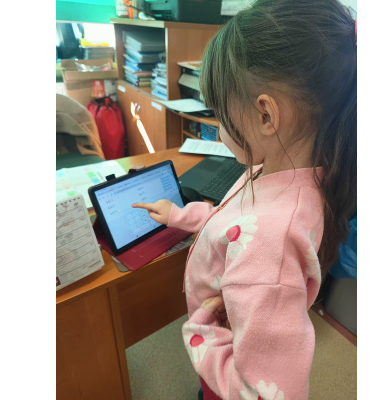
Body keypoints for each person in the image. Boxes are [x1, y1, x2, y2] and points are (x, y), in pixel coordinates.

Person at [132, 0, 356, 398]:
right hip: (235, 326)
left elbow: (262, 391)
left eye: (219, 114)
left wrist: (202, 329)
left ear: (266, 116)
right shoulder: (283, 172)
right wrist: (181, 215)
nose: (218, 128)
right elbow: (237, 222)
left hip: (224, 364)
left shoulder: (270, 246)